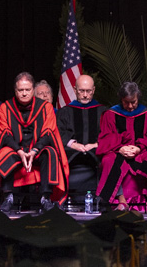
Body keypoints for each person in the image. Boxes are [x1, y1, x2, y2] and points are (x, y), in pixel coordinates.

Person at [0, 72, 70, 213]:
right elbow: (5, 134)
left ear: (33, 90)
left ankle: (45, 197)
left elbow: (48, 132)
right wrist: (20, 151)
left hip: (38, 149)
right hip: (15, 149)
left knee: (50, 152)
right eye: (21, 90)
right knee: (4, 153)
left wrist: (34, 151)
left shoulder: (45, 108)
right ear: (15, 90)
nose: (24, 93)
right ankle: (8, 197)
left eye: (28, 90)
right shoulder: (5, 108)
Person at [97, 81, 147, 212]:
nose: (130, 106)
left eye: (133, 102)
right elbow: (105, 138)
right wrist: (119, 148)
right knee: (108, 160)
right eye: (126, 102)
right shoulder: (111, 114)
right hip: (119, 152)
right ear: (121, 99)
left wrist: (139, 147)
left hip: (140, 152)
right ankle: (121, 202)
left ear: (138, 97)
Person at [54, 74, 104, 202]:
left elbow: (110, 134)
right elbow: (58, 132)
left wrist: (95, 145)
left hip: (96, 150)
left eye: (88, 91)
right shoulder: (66, 111)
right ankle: (63, 198)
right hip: (71, 151)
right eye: (82, 91)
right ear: (75, 90)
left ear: (93, 90)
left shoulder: (103, 112)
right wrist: (72, 144)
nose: (85, 95)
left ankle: (101, 199)